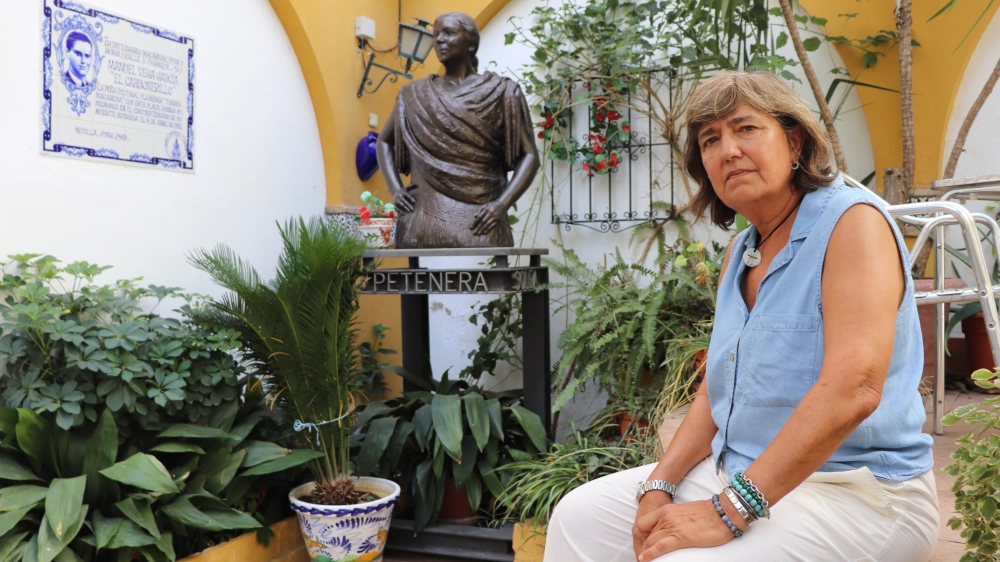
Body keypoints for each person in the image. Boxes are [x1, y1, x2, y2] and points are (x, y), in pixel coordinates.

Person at [543, 71, 938, 562]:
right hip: (737, 472)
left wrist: (729, 509)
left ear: (794, 141)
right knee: (578, 517)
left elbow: (853, 388)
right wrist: (658, 484)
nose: (728, 149)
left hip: (856, 492)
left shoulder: (852, 223)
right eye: (711, 139)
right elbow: (715, 390)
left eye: (746, 128)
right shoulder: (741, 253)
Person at [376, 13, 539, 248]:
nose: (439, 40)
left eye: (449, 33)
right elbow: (384, 142)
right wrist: (396, 191)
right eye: (436, 35)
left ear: (471, 43)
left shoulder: (503, 92)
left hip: (482, 220)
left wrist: (502, 205)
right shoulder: (413, 94)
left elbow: (530, 155)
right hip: (421, 219)